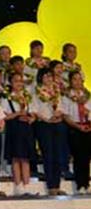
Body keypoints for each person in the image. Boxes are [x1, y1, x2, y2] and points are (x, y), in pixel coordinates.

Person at [31, 67, 66, 196]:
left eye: (50, 76)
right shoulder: (36, 92)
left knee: (58, 154)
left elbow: (62, 107)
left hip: (57, 123)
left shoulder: (57, 91)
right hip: (44, 125)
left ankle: (57, 184)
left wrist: (59, 114)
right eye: (45, 76)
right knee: (48, 154)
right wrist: (47, 119)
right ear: (40, 78)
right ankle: (51, 186)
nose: (48, 79)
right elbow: (34, 110)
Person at [2, 72, 34, 196]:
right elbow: (4, 116)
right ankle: (18, 185)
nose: (19, 84)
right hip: (14, 127)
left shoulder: (26, 97)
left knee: (25, 157)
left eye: (21, 81)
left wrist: (31, 118)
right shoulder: (7, 97)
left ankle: (27, 185)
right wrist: (18, 114)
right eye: (16, 81)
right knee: (16, 157)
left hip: (26, 128)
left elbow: (32, 112)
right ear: (10, 83)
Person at [63, 70, 91, 194]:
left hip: (87, 127)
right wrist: (77, 126)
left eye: (80, 79)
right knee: (78, 156)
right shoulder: (67, 96)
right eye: (75, 79)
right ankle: (80, 184)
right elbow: (66, 116)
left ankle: (87, 183)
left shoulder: (87, 95)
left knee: (87, 156)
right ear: (70, 81)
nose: (78, 82)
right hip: (75, 127)